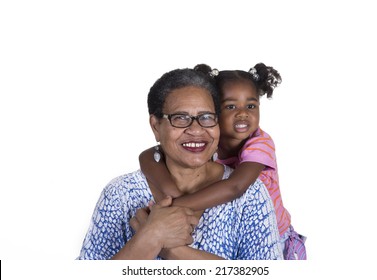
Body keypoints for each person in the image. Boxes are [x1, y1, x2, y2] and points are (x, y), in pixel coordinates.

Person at [77, 67, 283, 260]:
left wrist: (173, 250)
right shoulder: (120, 194)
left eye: (206, 117)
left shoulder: (252, 195)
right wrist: (150, 237)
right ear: (156, 126)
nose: (196, 129)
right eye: (180, 118)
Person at [139, 63, 306, 260]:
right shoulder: (209, 140)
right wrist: (170, 197)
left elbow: (235, 187)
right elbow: (148, 156)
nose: (243, 113)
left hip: (275, 237)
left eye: (251, 106)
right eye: (231, 106)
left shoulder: (260, 142)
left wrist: (173, 207)